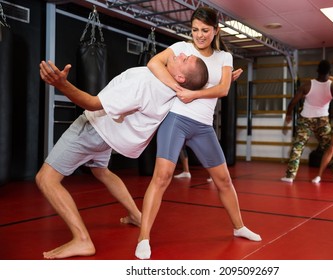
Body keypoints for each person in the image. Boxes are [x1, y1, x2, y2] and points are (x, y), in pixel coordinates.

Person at [36, 54, 208, 259]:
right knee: (101, 171)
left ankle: (82, 239)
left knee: (46, 179)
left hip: (95, 127)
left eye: (184, 59)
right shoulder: (173, 92)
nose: (179, 54)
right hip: (110, 135)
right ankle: (136, 215)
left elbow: (92, 103)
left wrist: (61, 84)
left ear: (180, 77)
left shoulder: (144, 83)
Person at [135, 6, 260, 260]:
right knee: (162, 176)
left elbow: (223, 89)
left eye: (205, 30)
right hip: (177, 120)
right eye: (195, 30)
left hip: (203, 126)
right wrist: (177, 86)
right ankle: (143, 237)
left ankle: (239, 227)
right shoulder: (182, 48)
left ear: (215, 31)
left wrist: (194, 94)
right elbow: (153, 63)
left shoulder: (224, 57)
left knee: (224, 180)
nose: (199, 35)